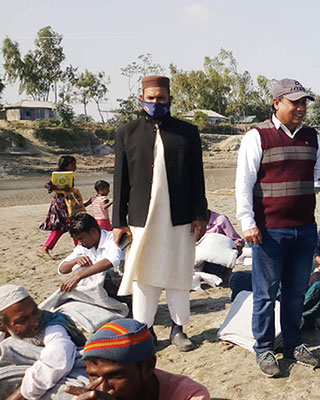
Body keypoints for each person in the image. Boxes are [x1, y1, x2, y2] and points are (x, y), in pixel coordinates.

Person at [112, 75, 208, 352]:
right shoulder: (126, 133)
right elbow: (120, 180)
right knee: (144, 273)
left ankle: (179, 329)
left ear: (170, 99)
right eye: (151, 98)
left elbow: (197, 177)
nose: (156, 103)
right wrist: (119, 222)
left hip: (180, 216)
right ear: (142, 98)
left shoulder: (187, 133)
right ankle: (146, 329)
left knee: (180, 271)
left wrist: (199, 214)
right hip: (142, 217)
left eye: (161, 98)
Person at [235, 78, 320, 377]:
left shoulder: (312, 136)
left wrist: (308, 189)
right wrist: (247, 222)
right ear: (276, 103)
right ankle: (263, 349)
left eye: (303, 103)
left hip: (304, 228)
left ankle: (294, 344)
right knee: (266, 293)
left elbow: (317, 171)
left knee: (296, 291)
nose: (300, 108)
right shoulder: (257, 136)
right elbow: (243, 183)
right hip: (269, 230)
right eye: (294, 102)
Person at [66, 318, 210, 400]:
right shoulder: (92, 395)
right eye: (93, 376)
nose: (103, 388)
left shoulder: (188, 395)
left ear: (148, 366)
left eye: (115, 376)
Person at [0, 284, 86, 400]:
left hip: (68, 373)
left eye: (35, 311)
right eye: (22, 321)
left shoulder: (53, 324)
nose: (35, 322)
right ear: (2, 326)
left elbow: (57, 359)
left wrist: (15, 397)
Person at [58, 213, 126, 302]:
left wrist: (79, 276)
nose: (80, 243)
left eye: (81, 238)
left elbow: (112, 260)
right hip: (102, 291)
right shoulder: (84, 246)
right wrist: (75, 261)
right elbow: (62, 269)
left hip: (121, 286)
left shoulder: (113, 238)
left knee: (100, 276)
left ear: (93, 231)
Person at [38, 155, 79, 258]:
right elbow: (48, 185)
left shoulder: (70, 175)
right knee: (71, 225)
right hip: (61, 204)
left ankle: (46, 248)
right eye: (72, 164)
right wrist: (60, 187)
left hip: (68, 202)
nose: (75, 166)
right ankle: (79, 247)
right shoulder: (57, 175)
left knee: (64, 226)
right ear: (65, 166)